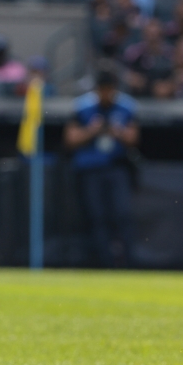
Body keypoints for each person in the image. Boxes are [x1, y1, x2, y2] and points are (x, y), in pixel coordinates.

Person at [64, 70, 138, 267]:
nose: (106, 94)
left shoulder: (125, 106)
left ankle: (126, 262)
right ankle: (103, 262)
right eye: (102, 90)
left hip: (116, 167)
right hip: (91, 170)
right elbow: (70, 139)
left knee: (122, 215)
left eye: (109, 90)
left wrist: (117, 132)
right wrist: (92, 131)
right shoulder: (83, 107)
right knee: (97, 217)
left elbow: (133, 138)